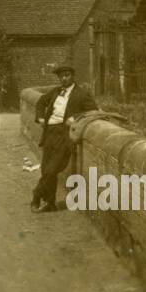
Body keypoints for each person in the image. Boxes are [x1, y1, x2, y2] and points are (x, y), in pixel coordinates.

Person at [30, 64, 98, 213]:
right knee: (46, 169)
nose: (64, 78)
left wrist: (75, 117)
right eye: (61, 76)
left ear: (73, 76)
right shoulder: (55, 91)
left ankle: (36, 195)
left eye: (67, 75)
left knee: (52, 169)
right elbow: (41, 102)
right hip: (50, 132)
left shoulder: (81, 94)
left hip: (64, 134)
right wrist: (40, 118)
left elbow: (93, 111)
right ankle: (50, 203)